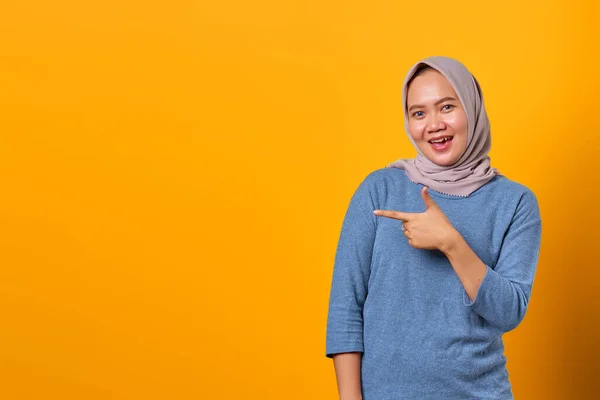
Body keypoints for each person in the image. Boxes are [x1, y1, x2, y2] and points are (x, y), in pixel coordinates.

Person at [325, 56, 542, 400]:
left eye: (446, 107)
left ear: (471, 108)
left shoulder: (515, 202)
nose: (434, 124)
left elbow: (509, 312)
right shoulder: (379, 189)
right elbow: (345, 307)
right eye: (419, 113)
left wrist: (452, 243)